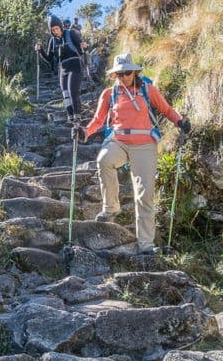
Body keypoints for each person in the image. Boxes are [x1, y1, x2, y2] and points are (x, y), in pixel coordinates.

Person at [73, 53, 190, 253]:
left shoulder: (147, 90)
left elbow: (166, 109)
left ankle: (146, 245)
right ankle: (111, 208)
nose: (123, 77)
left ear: (134, 72)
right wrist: (84, 133)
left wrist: (180, 121)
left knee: (144, 195)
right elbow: (98, 120)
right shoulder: (109, 94)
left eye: (126, 73)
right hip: (118, 140)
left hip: (145, 144)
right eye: (119, 74)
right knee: (103, 160)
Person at [35, 15, 88, 120]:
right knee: (66, 94)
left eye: (56, 29)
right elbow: (49, 59)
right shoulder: (52, 41)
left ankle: (78, 116)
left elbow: (82, 48)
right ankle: (71, 117)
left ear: (60, 26)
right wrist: (40, 50)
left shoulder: (71, 33)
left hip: (75, 65)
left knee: (72, 91)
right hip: (63, 69)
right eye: (52, 30)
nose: (55, 31)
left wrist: (85, 47)